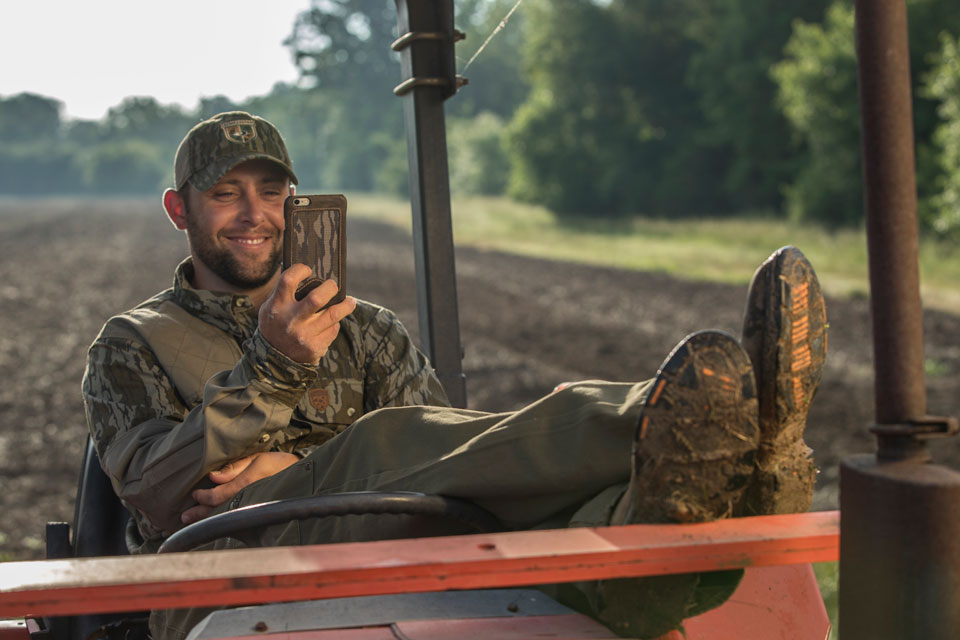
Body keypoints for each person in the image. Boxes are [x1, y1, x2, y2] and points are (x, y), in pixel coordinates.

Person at [82, 111, 827, 640]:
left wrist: (289, 462)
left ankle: (666, 537)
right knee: (378, 443)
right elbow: (155, 490)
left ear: (294, 202)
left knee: (488, 491)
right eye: (225, 194)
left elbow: (456, 473)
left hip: (384, 540)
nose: (255, 214)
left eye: (270, 192)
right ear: (180, 209)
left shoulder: (364, 329)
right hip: (222, 568)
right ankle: (684, 421)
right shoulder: (135, 343)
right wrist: (274, 369)